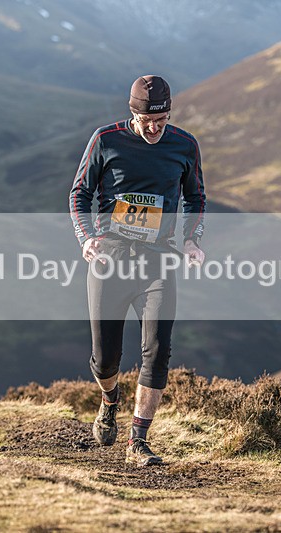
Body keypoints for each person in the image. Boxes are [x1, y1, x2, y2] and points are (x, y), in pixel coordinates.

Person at [69, 75, 206, 466]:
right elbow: (80, 193)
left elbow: (196, 197)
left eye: (161, 121)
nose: (153, 129)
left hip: (158, 258)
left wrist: (192, 239)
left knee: (158, 350)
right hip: (110, 256)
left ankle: (137, 440)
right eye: (147, 121)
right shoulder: (106, 140)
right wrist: (87, 237)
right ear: (133, 112)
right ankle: (109, 401)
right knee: (105, 357)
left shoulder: (184, 145)